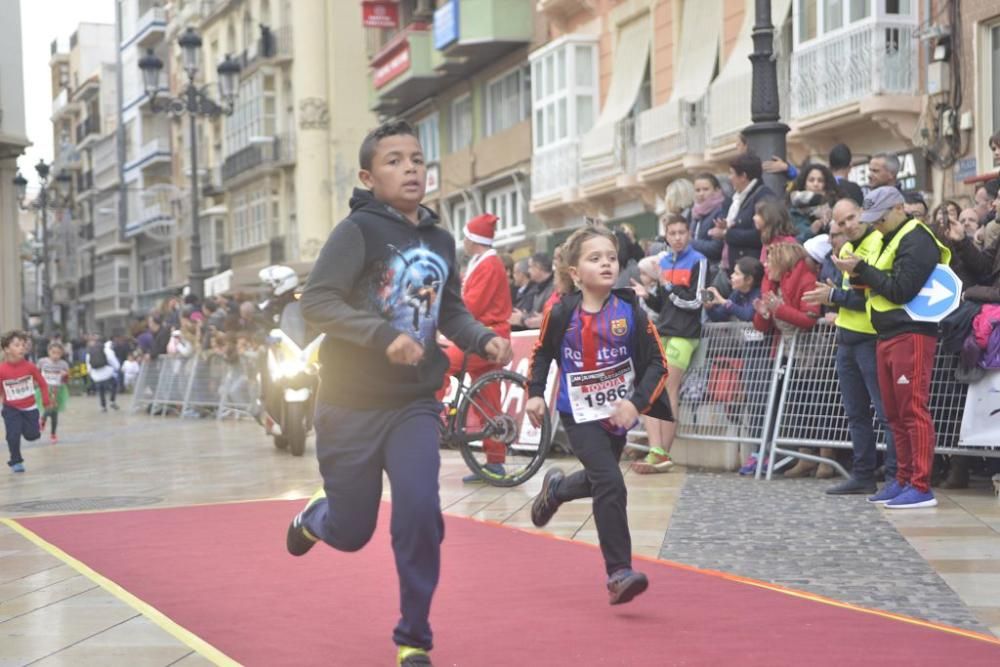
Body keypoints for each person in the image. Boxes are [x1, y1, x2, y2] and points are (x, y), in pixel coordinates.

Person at [285, 120, 511, 667]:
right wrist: (382, 336)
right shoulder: (357, 231)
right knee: (353, 529)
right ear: (368, 175)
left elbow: (448, 306)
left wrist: (481, 336)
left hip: (413, 402)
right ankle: (318, 519)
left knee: (419, 511)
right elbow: (316, 301)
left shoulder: (439, 239)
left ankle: (414, 635)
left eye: (416, 158)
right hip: (350, 404)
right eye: (394, 160)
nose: (410, 167)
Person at [525, 225, 672, 605]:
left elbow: (657, 364)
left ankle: (556, 489)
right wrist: (535, 394)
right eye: (595, 258)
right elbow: (541, 353)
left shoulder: (630, 311)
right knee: (611, 483)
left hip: (617, 414)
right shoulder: (560, 312)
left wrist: (634, 404)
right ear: (575, 272)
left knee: (599, 480)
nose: (606, 263)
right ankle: (619, 572)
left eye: (610, 257)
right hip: (578, 413)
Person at [833, 186, 948, 509]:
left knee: (912, 409)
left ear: (899, 208)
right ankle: (902, 478)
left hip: (910, 333)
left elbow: (901, 289)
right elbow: (882, 282)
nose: (877, 224)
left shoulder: (916, 238)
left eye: (880, 218)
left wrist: (862, 270)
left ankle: (920, 484)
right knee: (895, 413)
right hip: (886, 333)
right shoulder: (889, 236)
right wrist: (857, 275)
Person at [803, 199, 897, 495]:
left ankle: (895, 476)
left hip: (871, 337)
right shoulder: (845, 250)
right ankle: (863, 473)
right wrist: (836, 296)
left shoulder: (878, 242)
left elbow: (866, 298)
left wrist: (834, 297)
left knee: (885, 413)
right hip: (846, 338)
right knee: (855, 412)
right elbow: (848, 295)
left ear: (863, 215)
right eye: (841, 224)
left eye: (851, 219)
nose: (847, 227)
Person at [438, 212, 513, 483]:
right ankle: (495, 462)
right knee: (488, 400)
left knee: (441, 362)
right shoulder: (485, 262)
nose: (464, 241)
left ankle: (432, 411)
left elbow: (469, 306)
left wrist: (445, 321)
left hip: (483, 337)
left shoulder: (487, 265)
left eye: (467, 236)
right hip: (491, 335)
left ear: (474, 240)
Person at [629, 214, 706, 473]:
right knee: (650, 388)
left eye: (681, 232)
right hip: (664, 330)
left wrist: (668, 286)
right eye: (672, 233)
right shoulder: (665, 262)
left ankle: (663, 453)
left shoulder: (698, 260)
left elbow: (695, 302)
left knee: (669, 388)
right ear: (666, 235)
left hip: (685, 334)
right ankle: (656, 450)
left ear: (689, 233)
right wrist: (648, 296)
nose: (677, 238)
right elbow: (663, 305)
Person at [1, 330, 51, 473]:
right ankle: (16, 461)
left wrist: (46, 400)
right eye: (17, 345)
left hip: (30, 407)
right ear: (6, 349)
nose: (22, 348)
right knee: (12, 435)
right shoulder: (1, 369)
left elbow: (42, 383)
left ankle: (29, 425)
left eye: (23, 345)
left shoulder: (30, 367)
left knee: (32, 436)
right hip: (11, 408)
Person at [724, 153, 777, 267]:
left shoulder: (763, 197)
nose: (729, 177)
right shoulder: (738, 198)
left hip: (753, 269)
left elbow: (762, 234)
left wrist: (728, 234)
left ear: (743, 176)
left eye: (732, 173)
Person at [690, 172, 728, 281]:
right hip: (697, 269)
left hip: (712, 271)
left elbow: (716, 248)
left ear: (716, 190)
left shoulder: (720, 212)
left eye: (706, 189)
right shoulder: (695, 213)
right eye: (698, 190)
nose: (701, 194)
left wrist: (690, 242)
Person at [704, 256, 763, 322]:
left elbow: (748, 316)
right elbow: (719, 317)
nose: (732, 276)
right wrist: (709, 308)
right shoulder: (737, 293)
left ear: (749, 280)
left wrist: (723, 301)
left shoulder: (758, 294)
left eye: (737, 273)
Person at [789, 164, 838, 242]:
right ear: (804, 184)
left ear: (825, 185)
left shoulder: (834, 207)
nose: (816, 184)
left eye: (820, 180)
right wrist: (811, 230)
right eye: (811, 180)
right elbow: (792, 241)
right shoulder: (794, 211)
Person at [37, 343, 71, 443]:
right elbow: (36, 373)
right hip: (45, 389)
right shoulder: (42, 362)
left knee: (54, 413)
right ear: (49, 352)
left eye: (58, 353)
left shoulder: (64, 364)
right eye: (53, 352)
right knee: (49, 408)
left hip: (58, 390)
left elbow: (66, 380)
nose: (55, 355)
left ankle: (53, 434)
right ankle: (42, 419)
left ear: (61, 354)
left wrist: (65, 375)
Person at [86, 335, 121, 412]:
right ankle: (112, 401)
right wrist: (117, 368)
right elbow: (113, 362)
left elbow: (88, 364)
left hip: (96, 375)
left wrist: (90, 373)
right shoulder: (107, 350)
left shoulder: (90, 351)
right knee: (114, 384)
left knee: (101, 390)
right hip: (107, 373)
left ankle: (103, 406)